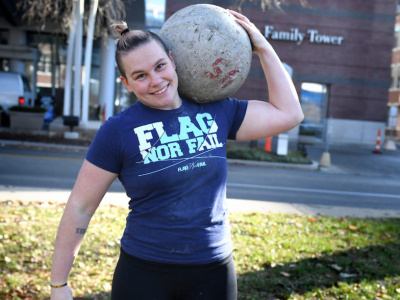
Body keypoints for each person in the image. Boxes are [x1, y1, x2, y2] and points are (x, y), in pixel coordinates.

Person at [50, 9, 303, 300]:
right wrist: (59, 284)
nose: (155, 81)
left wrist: (262, 48)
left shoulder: (217, 110)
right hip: (144, 275)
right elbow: (80, 207)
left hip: (214, 272)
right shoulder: (117, 131)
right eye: (140, 76)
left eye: (160, 66)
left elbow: (289, 113)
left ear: (172, 60)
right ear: (127, 84)